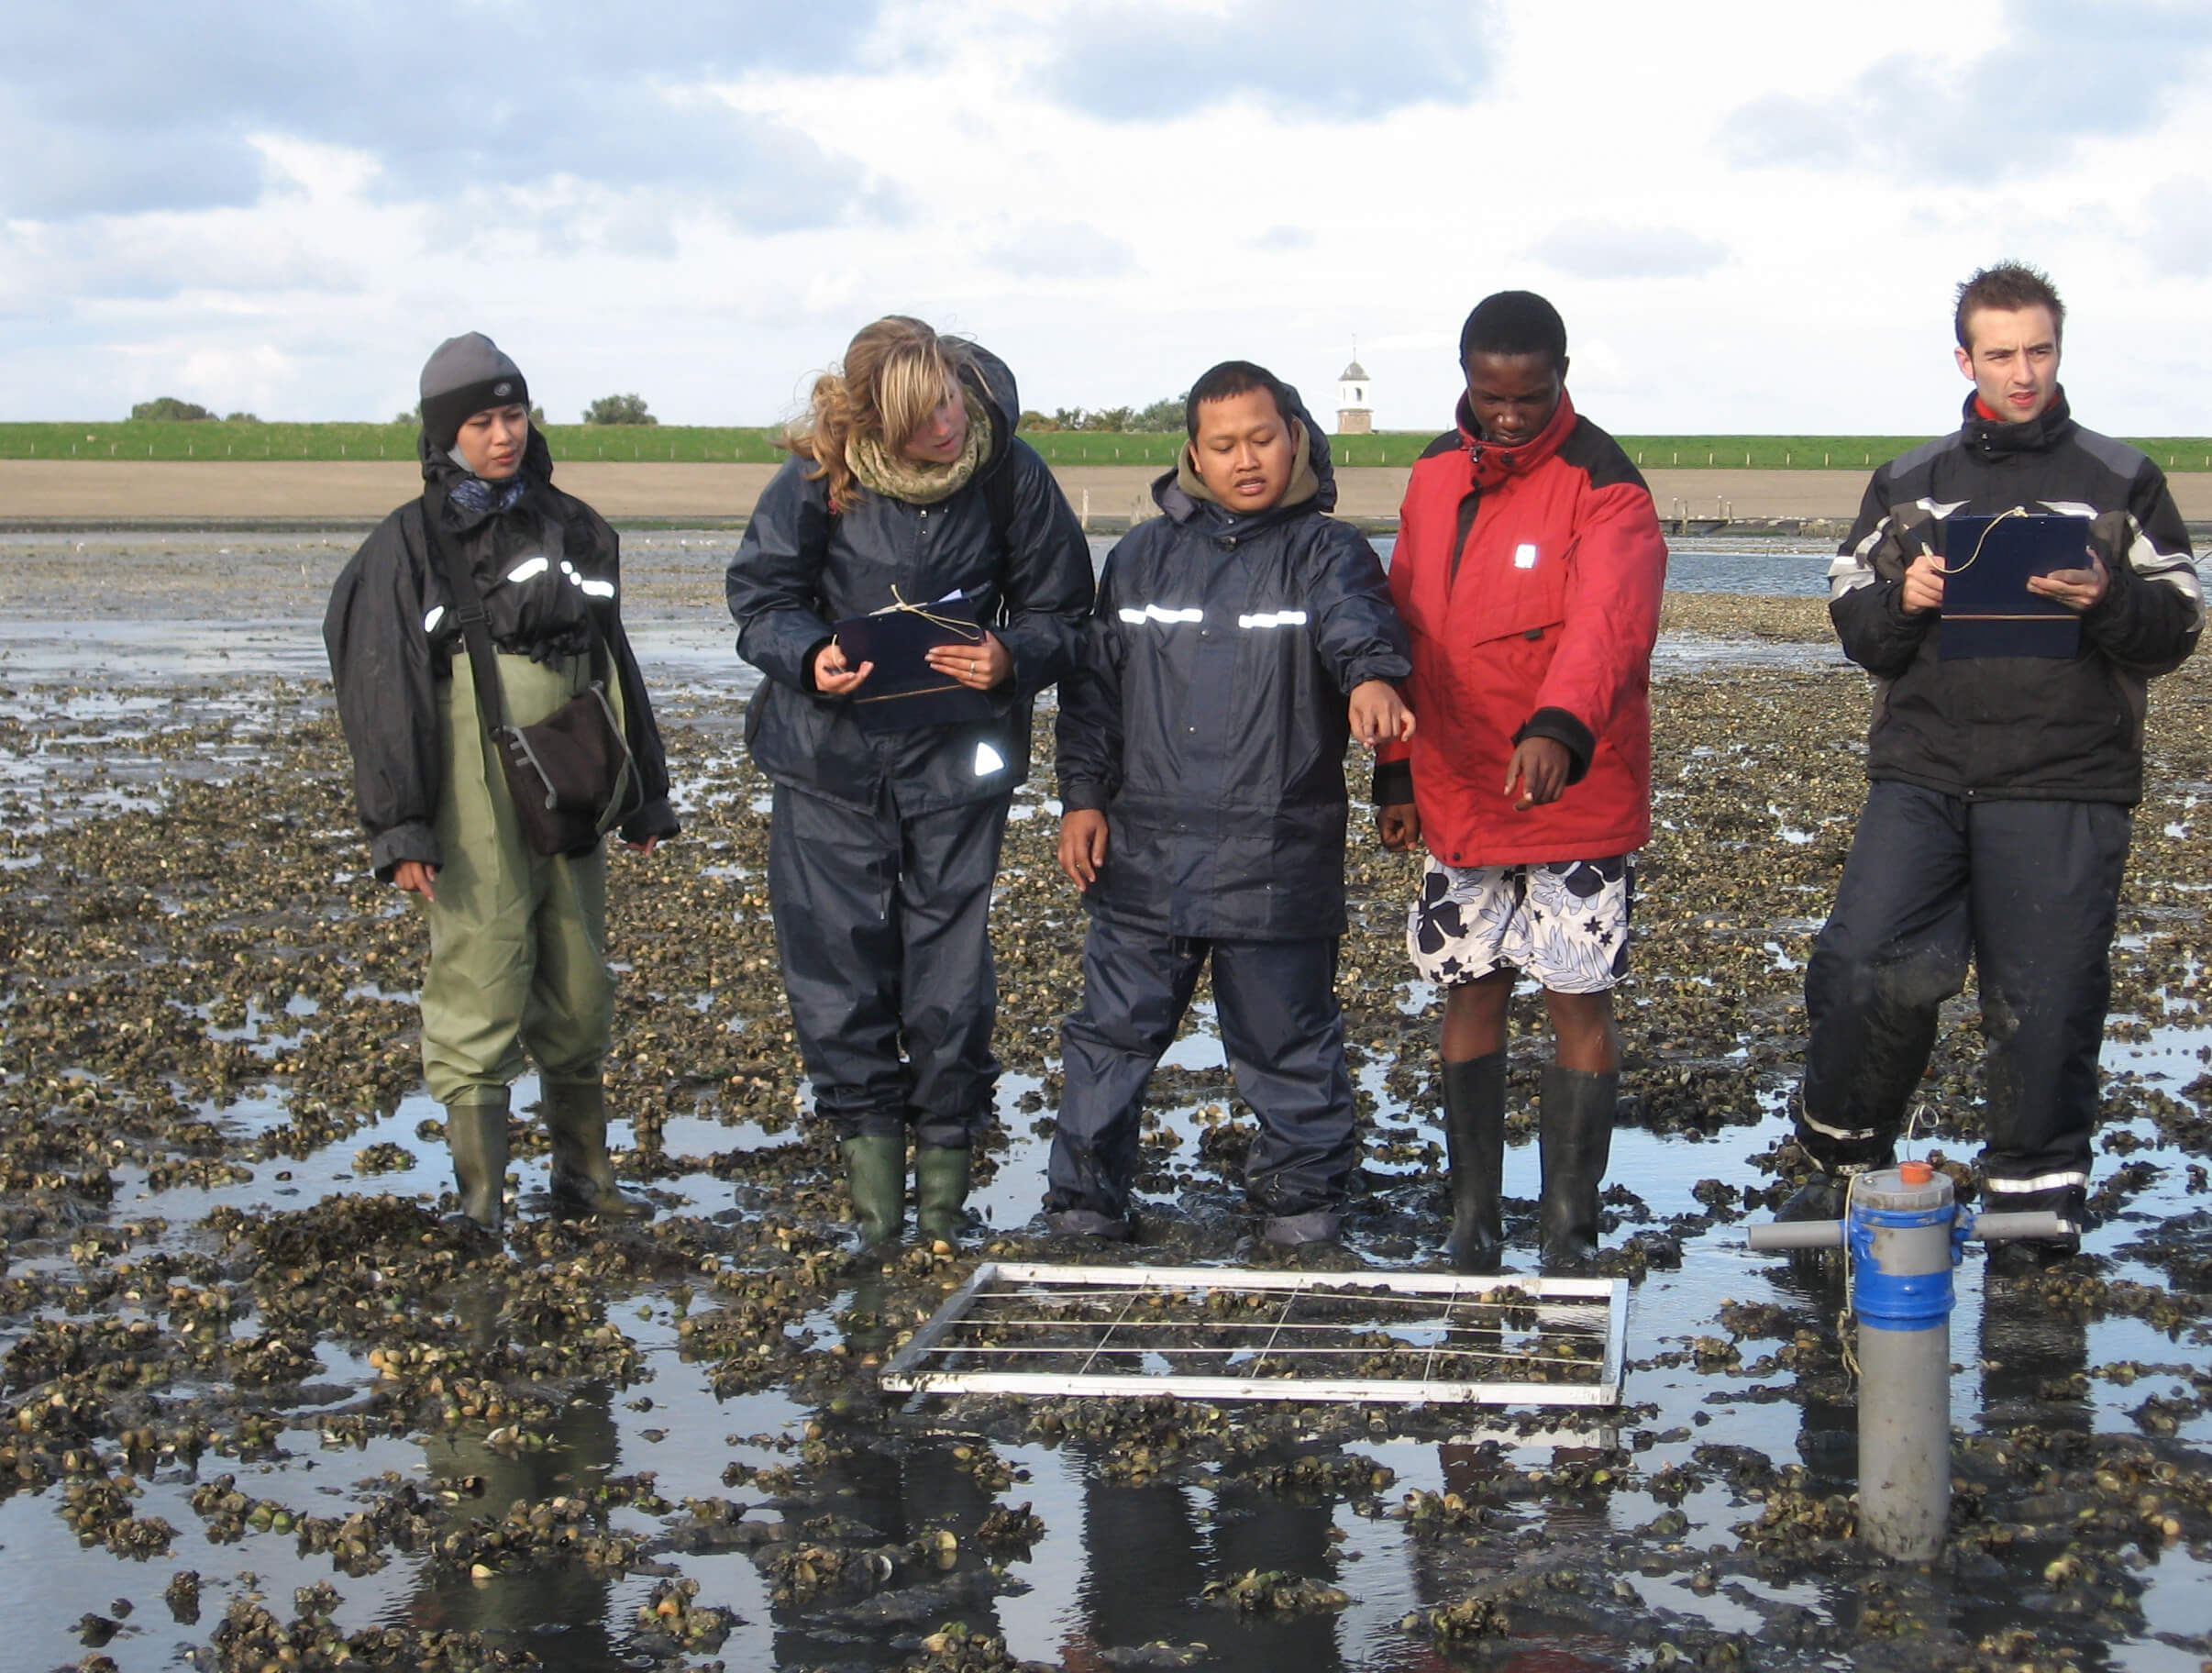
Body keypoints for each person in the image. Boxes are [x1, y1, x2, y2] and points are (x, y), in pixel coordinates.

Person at [1787, 261, 2202, 1266]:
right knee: (1861, 966)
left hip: (2066, 779)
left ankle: (2036, 1198)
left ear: (2059, 352)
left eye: (2041, 351)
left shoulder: (2121, 479)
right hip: (1924, 774)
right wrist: (1906, 600)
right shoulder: (1909, 484)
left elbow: (2179, 621)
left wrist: (2107, 600)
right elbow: (1857, 624)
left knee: (2047, 995)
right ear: (1965, 357)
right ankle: (1840, 1164)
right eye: (2003, 353)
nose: (2024, 372)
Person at [727, 316, 1092, 1249]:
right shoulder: (817, 479)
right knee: (835, 970)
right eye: (919, 413)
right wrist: (809, 658)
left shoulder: (1014, 473)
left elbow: (1065, 612)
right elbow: (762, 597)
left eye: (949, 402)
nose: (944, 424)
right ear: (870, 420)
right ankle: (875, 1211)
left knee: (949, 977)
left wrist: (1009, 657)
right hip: (826, 764)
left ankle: (941, 1203)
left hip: (959, 765)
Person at [1047, 360, 1413, 1246]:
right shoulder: (1138, 558)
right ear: (1194, 454)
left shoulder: (1332, 552)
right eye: (1225, 445)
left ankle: (1303, 1205)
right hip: (1143, 854)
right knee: (1110, 1040)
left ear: (1294, 435)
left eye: (1262, 437)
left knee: (1288, 1047)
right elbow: (1093, 694)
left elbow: (1357, 625)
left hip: (1277, 857)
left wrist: (1369, 679)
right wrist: (1082, 800)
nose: (1247, 460)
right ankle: (1086, 1206)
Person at [326, 332, 679, 1233]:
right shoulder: (406, 548)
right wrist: (399, 825)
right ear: (446, 434)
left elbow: (616, 662)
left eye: (512, 414)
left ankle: (585, 1186)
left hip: (575, 766)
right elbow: (381, 689)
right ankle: (482, 1203)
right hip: (471, 781)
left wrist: (645, 792)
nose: (501, 435)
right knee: (481, 968)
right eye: (480, 421)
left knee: (577, 973)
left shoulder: (578, 526)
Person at [1374, 291, 1667, 1271]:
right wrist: (1394, 777)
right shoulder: (1428, 475)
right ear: (1465, 377)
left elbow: (1608, 627)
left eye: (1529, 397)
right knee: (1470, 985)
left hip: (1573, 787)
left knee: (1578, 996)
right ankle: (1473, 1222)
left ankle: (1568, 1232)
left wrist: (1559, 727)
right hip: (1458, 786)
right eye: (1490, 395)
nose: (1507, 415)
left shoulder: (1606, 485)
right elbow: (1406, 621)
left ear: (1562, 377)